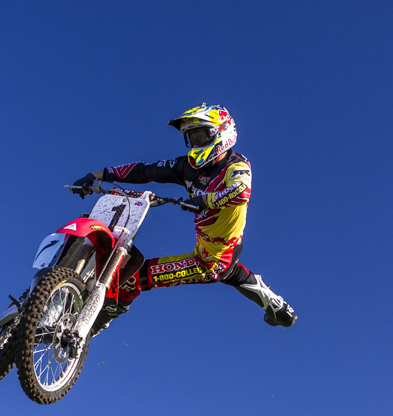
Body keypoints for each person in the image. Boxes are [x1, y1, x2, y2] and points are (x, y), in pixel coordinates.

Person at [73, 104, 297, 328]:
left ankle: (90, 328)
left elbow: (240, 191)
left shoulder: (236, 166)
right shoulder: (188, 167)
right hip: (206, 246)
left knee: (133, 279)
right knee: (232, 274)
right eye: (191, 138)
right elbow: (146, 170)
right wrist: (97, 175)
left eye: (200, 136)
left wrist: (206, 200)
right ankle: (276, 305)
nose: (196, 144)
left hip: (212, 260)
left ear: (222, 133)